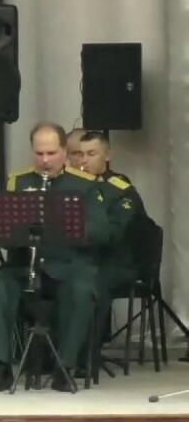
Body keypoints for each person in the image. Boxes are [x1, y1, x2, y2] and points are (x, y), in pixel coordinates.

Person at [0, 123, 113, 392]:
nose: (45, 160)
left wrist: (65, 220)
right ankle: (1, 367)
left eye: (51, 153)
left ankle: (65, 368)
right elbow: (2, 233)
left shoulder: (84, 185)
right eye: (39, 153)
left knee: (81, 290)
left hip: (67, 268)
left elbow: (102, 232)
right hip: (25, 265)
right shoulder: (19, 182)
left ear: (64, 152)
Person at [78, 130, 146, 366]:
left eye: (91, 154)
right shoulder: (73, 186)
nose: (84, 160)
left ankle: (87, 356)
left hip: (118, 262)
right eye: (80, 154)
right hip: (84, 259)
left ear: (107, 155)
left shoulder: (120, 188)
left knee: (95, 281)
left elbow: (115, 234)